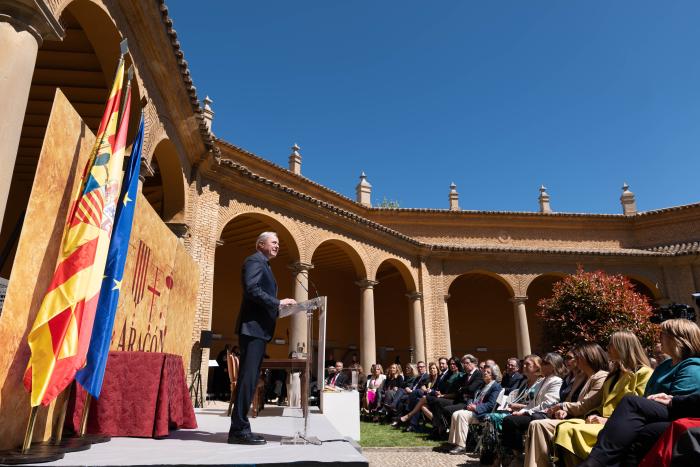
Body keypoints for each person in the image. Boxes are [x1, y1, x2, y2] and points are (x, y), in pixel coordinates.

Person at [579, 319, 700, 467]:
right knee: (628, 428)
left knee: (631, 402)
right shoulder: (664, 366)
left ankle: (595, 462)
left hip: (675, 411)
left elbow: (681, 402)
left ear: (677, 339)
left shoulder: (692, 365)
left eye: (663, 334)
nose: (659, 338)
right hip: (656, 412)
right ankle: (596, 461)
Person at [228, 232, 297, 445]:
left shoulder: (264, 264)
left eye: (277, 243)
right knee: (247, 380)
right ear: (260, 244)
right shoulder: (254, 260)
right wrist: (277, 303)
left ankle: (241, 428)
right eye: (273, 242)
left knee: (249, 380)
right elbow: (251, 289)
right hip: (253, 329)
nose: (277, 246)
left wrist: (279, 309)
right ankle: (239, 430)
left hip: (258, 330)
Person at [554, 330, 653, 466]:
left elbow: (636, 407)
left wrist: (606, 420)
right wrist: (594, 413)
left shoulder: (644, 373)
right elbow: (604, 404)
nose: (607, 348)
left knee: (568, 430)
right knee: (564, 428)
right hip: (601, 420)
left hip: (620, 424)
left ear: (622, 347)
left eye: (611, 345)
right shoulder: (614, 374)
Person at [524, 343, 609, 467]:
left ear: (590, 357)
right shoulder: (581, 377)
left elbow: (585, 405)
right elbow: (571, 401)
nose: (575, 359)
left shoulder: (601, 376)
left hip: (584, 420)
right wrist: (564, 410)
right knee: (535, 424)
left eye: (579, 356)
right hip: (573, 418)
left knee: (537, 423)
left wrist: (563, 407)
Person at [501, 352, 565, 465]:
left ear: (553, 365)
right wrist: (522, 411)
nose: (542, 365)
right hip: (535, 412)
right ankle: (515, 454)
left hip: (546, 414)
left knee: (510, 421)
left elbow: (549, 403)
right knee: (509, 418)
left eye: (545, 363)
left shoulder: (556, 381)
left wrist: (527, 412)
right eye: (542, 362)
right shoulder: (543, 381)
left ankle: (518, 455)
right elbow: (532, 403)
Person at [446, 364, 503, 454]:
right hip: (473, 409)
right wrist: (470, 405)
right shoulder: (483, 385)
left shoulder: (495, 387)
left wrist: (476, 407)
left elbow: (491, 405)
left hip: (483, 413)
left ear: (493, 375)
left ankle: (461, 446)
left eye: (488, 372)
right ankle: (454, 442)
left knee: (461, 415)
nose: (485, 373)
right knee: (455, 414)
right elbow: (474, 398)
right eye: (484, 371)